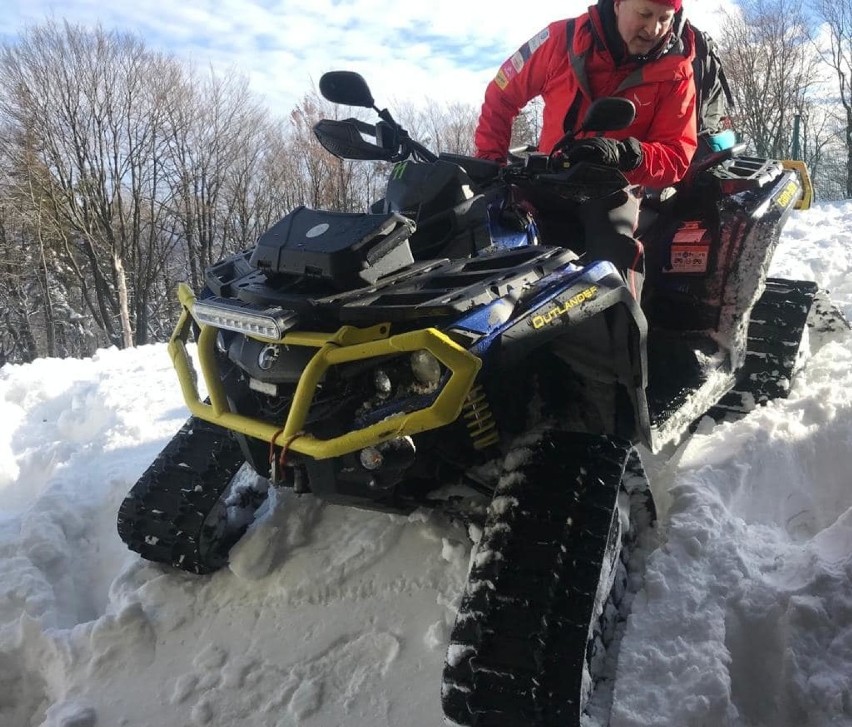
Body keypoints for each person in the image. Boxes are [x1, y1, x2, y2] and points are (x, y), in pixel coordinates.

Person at [474, 0, 698, 299]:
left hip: (616, 188)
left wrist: (627, 155)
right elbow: (501, 95)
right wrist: (491, 165)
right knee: (486, 228)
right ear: (618, 4)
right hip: (550, 176)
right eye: (644, 14)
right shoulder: (559, 39)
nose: (653, 29)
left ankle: (623, 341)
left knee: (614, 257)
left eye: (664, 18)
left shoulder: (677, 72)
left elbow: (677, 155)